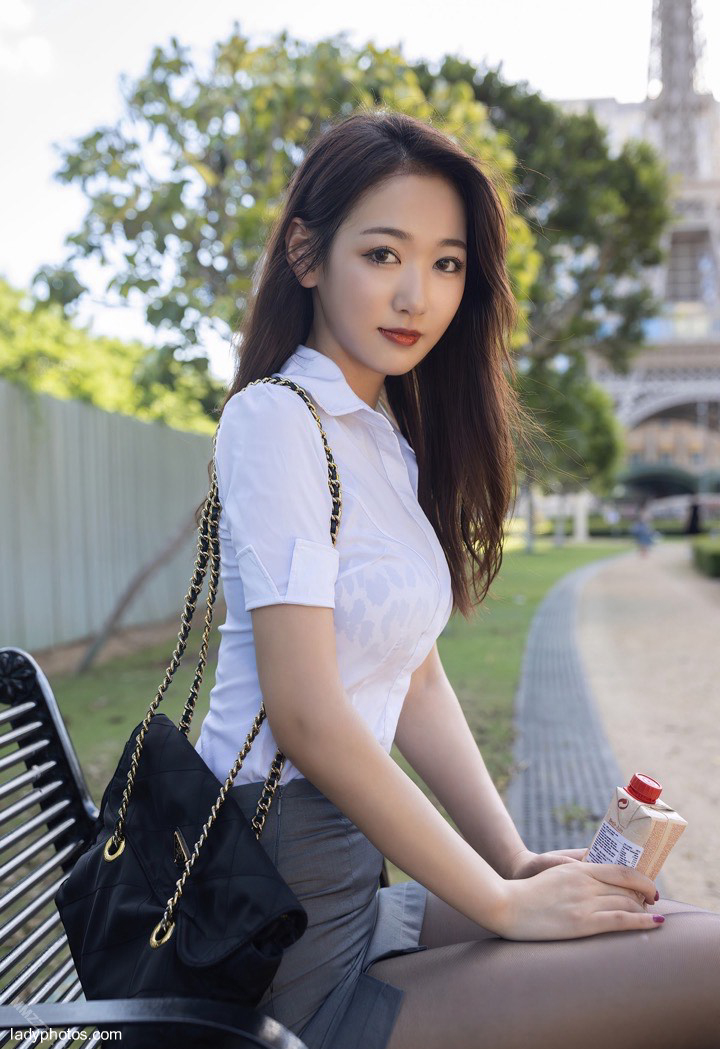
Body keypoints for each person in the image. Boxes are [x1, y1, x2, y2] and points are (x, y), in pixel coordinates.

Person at [194, 110, 719, 1049]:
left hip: (345, 886)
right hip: (283, 932)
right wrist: (502, 905)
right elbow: (307, 715)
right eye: (385, 253)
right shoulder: (277, 419)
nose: (417, 295)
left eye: (446, 264)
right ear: (307, 256)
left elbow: (418, 675)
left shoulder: (381, 437)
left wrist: (511, 859)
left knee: (655, 920)